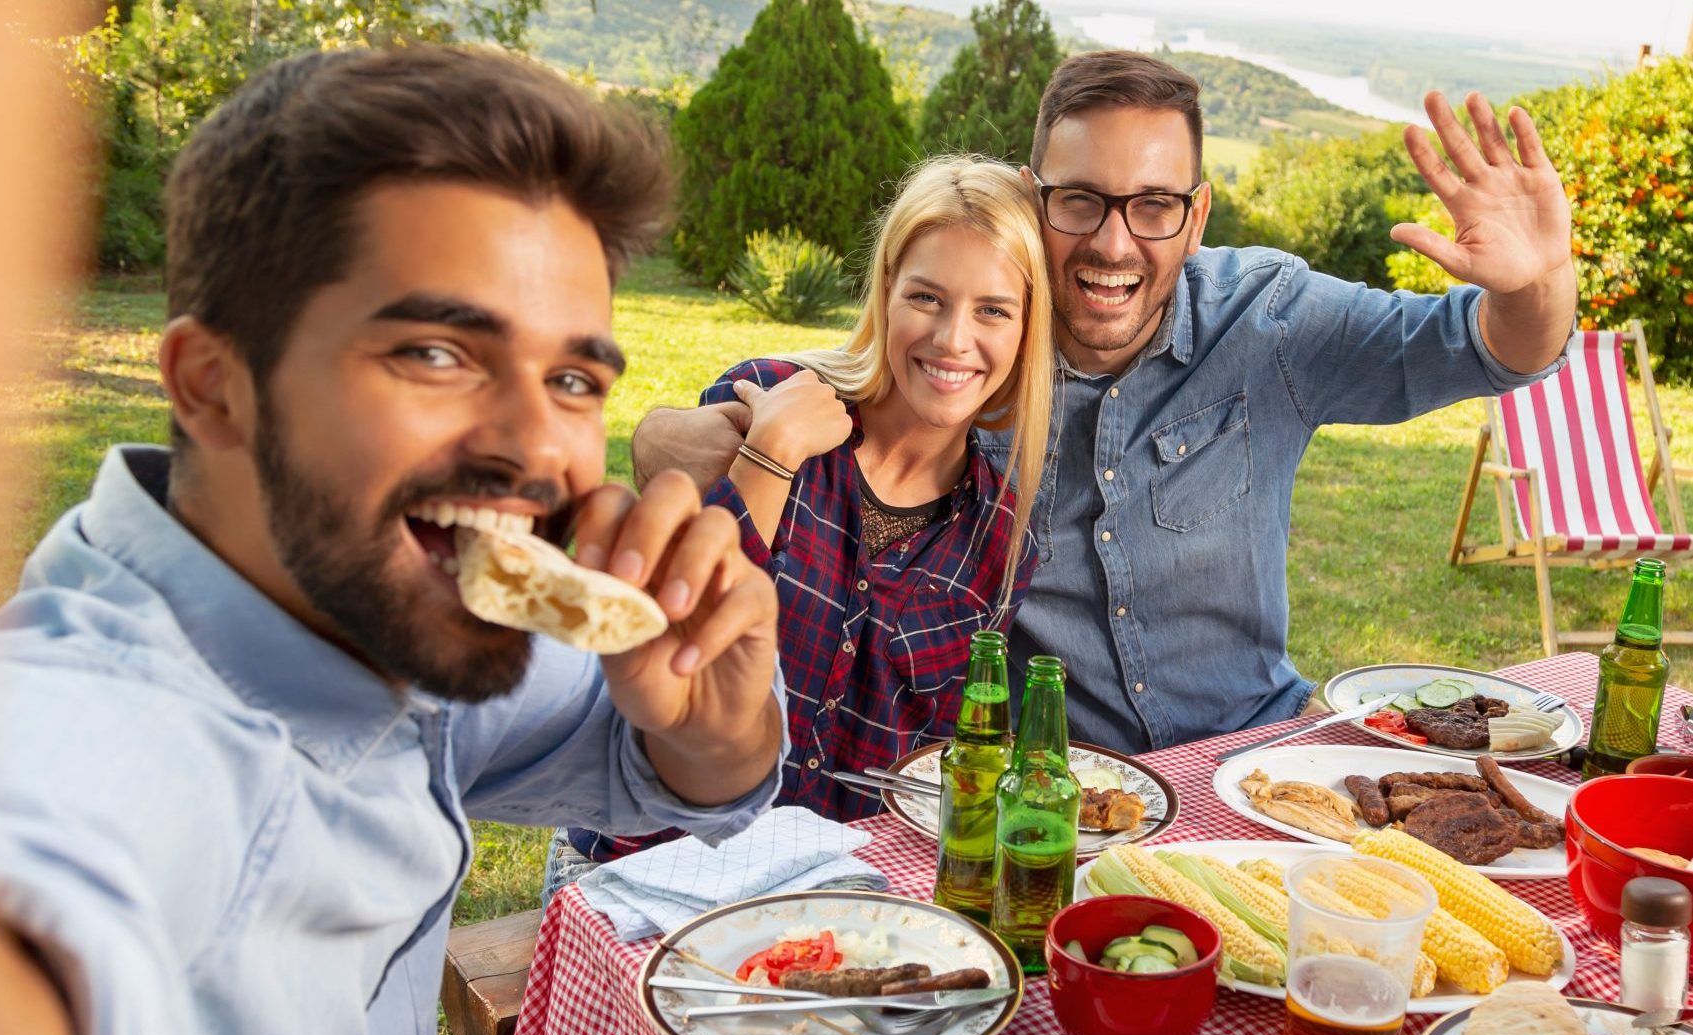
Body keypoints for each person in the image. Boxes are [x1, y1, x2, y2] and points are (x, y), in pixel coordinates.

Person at [0, 45, 784, 1035]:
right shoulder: (122, 737)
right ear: (212, 384)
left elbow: (656, 753)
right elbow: (1, 854)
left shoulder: (375, 615)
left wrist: (714, 716)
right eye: (437, 350)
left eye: (574, 380)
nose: (543, 453)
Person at [633, 50, 1576, 754]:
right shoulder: (986, 357)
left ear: (1195, 215)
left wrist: (1535, 281)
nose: (1114, 244)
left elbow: (1490, 349)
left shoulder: (1271, 319)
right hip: (1065, 786)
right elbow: (883, 358)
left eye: (1153, 205)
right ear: (1034, 200)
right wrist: (674, 434)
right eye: (1079, 200)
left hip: (1252, 752)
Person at [551, 157, 1053, 895]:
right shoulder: (770, 403)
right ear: (885, 293)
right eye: (926, 296)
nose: (952, 338)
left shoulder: (999, 538)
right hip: (639, 869)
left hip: (815, 897)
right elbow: (678, 630)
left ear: (1024, 329)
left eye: (992, 310)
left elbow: (939, 769)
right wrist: (772, 451)